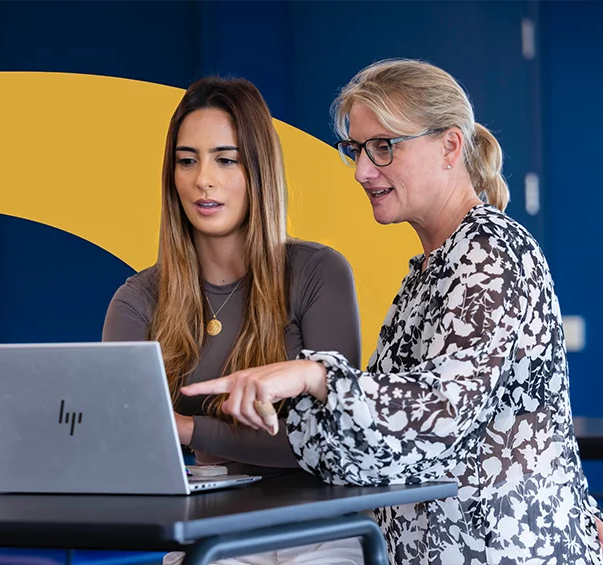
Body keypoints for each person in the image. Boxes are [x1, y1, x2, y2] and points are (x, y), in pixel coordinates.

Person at [182, 59, 603, 564]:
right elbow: (376, 445)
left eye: (384, 147)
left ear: (450, 146)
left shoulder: (492, 253)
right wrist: (235, 427)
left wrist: (316, 376)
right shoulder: (432, 266)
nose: (362, 171)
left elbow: (439, 416)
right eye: (356, 150)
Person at [102, 76, 364, 564]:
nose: (204, 179)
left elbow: (337, 440)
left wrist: (186, 429)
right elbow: (123, 439)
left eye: (226, 159)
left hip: (320, 531)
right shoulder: (137, 300)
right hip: (211, 533)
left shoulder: (318, 273)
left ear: (258, 170)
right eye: (187, 160)